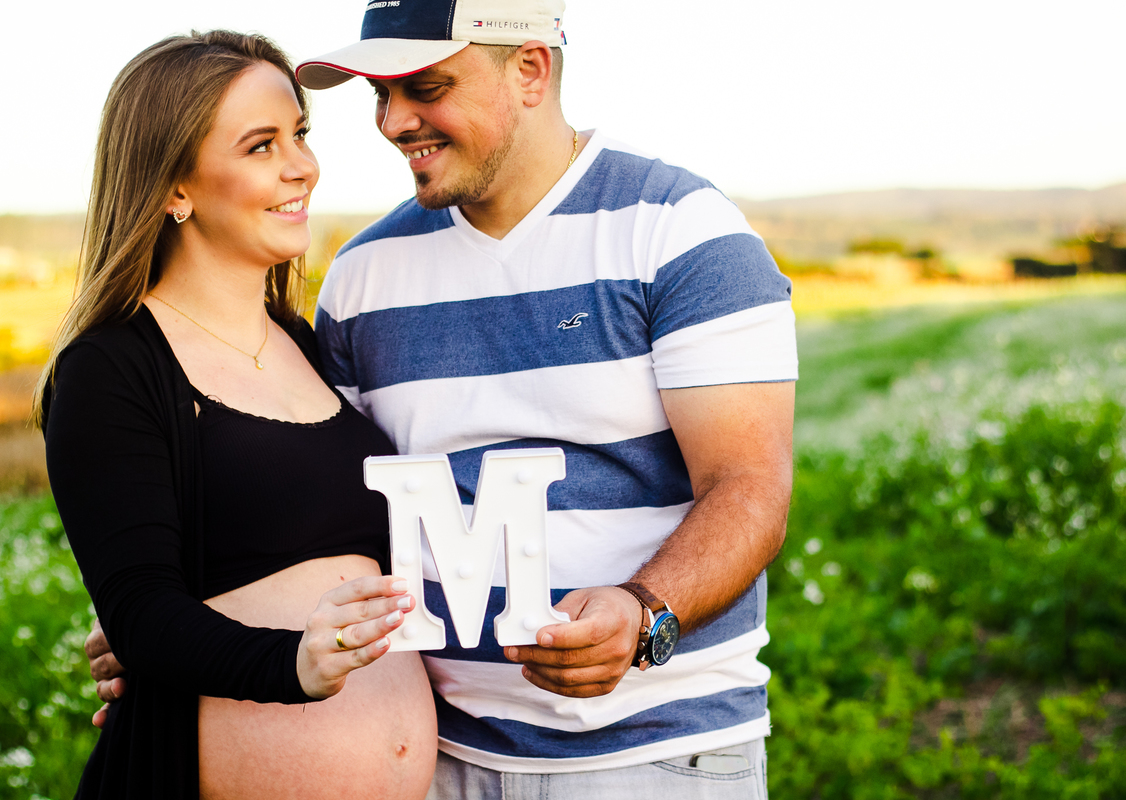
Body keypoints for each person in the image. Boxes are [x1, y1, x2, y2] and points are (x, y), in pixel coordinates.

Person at [90, 2, 798, 796]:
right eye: (378, 95)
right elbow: (330, 506)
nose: (394, 122)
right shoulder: (363, 278)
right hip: (449, 763)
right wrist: (167, 622)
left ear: (529, 69)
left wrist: (647, 616)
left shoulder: (680, 232)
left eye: (424, 86)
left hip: (654, 757)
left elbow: (750, 489)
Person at [40, 30, 437, 799]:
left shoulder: (311, 346)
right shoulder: (111, 369)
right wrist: (292, 663)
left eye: (300, 134)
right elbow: (141, 614)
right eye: (261, 146)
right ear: (173, 189)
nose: (302, 167)